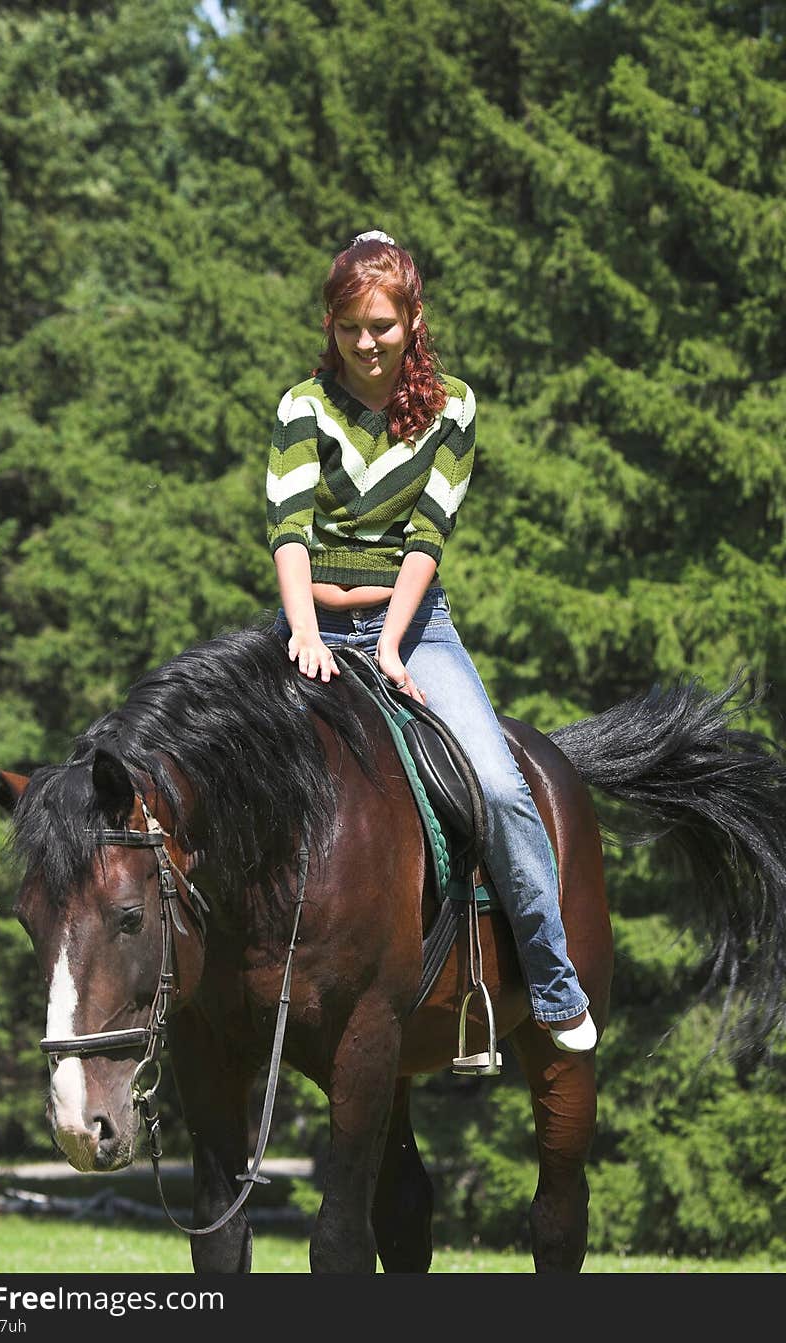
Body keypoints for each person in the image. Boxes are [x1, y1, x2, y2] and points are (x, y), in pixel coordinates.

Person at [265, 229, 596, 1052]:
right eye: (349, 328)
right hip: (310, 625)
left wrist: (388, 648)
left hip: (412, 627)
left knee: (500, 782)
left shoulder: (454, 407)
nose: (366, 344)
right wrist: (305, 630)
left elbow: (426, 537)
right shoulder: (302, 406)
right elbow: (288, 530)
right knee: (238, 777)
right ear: (330, 326)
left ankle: (552, 981)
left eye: (381, 325)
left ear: (413, 320)